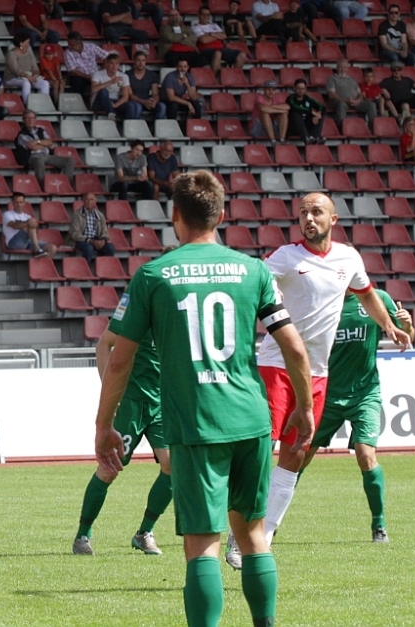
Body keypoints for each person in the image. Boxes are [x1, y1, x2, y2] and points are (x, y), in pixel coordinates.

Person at [94, 169, 315, 627]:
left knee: (201, 543)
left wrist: (104, 425)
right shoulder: (253, 270)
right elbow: (294, 348)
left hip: (196, 424)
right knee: (253, 534)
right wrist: (306, 407)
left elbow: (118, 361)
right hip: (250, 419)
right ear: (222, 214)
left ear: (174, 214)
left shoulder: (154, 275)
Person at [224, 192, 412, 569]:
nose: (309, 218)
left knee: (295, 455)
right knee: (260, 450)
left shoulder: (348, 258)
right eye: (303, 213)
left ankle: (263, 537)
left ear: (333, 219)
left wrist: (389, 326)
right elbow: (254, 280)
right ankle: (237, 532)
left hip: (317, 374)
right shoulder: (286, 257)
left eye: (316, 212)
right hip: (277, 366)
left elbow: (367, 294)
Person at [301, 290, 414, 543]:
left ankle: (379, 525)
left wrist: (406, 325)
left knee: (366, 455)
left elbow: (405, 336)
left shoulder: (377, 299)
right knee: (299, 457)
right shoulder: (322, 300)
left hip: (365, 394)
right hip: (327, 395)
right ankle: (270, 522)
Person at [74, 295, 170, 557]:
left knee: (172, 466)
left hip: (162, 404)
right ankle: (83, 535)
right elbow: (104, 344)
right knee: (109, 469)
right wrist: (110, 393)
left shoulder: (180, 314)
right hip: (131, 403)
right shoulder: (138, 309)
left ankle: (144, 533)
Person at [15, 109, 74, 186]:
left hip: (46, 155)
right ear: (23, 120)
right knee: (39, 159)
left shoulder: (41, 130)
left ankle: (67, 185)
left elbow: (50, 142)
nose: (30, 120)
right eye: (28, 118)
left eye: (32, 118)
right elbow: (32, 147)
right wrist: (44, 143)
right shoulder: (22, 134)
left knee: (69, 161)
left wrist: (37, 142)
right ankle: (42, 186)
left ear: (35, 119)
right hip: (31, 156)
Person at [193, 6, 246, 74]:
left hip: (220, 48)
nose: (206, 16)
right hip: (205, 50)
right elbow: (203, 40)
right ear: (198, 15)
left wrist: (210, 34)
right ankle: (213, 78)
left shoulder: (214, 25)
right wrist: (217, 36)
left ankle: (233, 77)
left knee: (242, 55)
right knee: (218, 53)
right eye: (203, 14)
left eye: (208, 15)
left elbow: (224, 36)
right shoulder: (195, 27)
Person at [2, 191, 57, 257]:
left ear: (24, 203)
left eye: (21, 202)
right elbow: (14, 225)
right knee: (29, 225)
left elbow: (35, 225)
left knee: (52, 248)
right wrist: (29, 223)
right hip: (13, 243)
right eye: (16, 202)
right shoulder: (7, 214)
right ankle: (37, 249)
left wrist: (34, 221)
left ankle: (45, 263)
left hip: (27, 242)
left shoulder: (27, 216)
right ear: (13, 203)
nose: (19, 205)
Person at [66, 191, 114, 262]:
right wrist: (90, 241)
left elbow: (105, 231)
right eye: (87, 199)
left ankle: (106, 267)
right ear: (83, 201)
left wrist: (103, 240)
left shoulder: (100, 215)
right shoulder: (77, 215)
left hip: (96, 239)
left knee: (110, 247)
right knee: (88, 248)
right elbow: (75, 234)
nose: (89, 202)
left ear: (95, 201)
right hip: (81, 240)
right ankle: (85, 267)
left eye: (91, 199)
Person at [5, 33, 50, 106]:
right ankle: (27, 105)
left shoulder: (29, 53)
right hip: (13, 78)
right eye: (27, 42)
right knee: (26, 83)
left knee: (45, 83)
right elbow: (16, 70)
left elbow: (35, 68)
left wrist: (35, 75)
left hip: (30, 77)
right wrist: (28, 77)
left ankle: (44, 104)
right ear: (21, 43)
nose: (29, 44)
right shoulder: (11, 54)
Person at [327, 59, 377, 124]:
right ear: (337, 68)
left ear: (347, 69)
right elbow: (331, 94)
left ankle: (373, 127)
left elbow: (359, 93)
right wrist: (346, 100)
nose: (343, 69)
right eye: (341, 67)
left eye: (345, 67)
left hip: (355, 101)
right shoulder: (332, 78)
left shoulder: (352, 79)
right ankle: (341, 128)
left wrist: (358, 100)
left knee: (371, 105)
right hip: (342, 101)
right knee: (341, 105)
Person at [91, 53, 138, 120]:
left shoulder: (124, 76)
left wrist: (115, 105)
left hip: (114, 101)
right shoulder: (98, 74)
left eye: (116, 64)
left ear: (119, 65)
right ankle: (111, 114)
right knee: (103, 91)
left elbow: (125, 97)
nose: (114, 66)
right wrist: (111, 82)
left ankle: (127, 125)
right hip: (99, 102)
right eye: (111, 63)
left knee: (131, 106)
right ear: (107, 63)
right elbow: (94, 89)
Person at [63, 32, 109, 101]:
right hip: (80, 76)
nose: (70, 47)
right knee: (76, 81)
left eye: (72, 45)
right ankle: (78, 101)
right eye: (69, 44)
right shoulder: (67, 52)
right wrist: (89, 77)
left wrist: (101, 70)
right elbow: (73, 70)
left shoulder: (91, 47)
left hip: (95, 74)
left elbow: (107, 56)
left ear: (79, 43)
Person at [286, 78, 324, 145]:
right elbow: (295, 107)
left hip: (306, 126)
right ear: (294, 88)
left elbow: (321, 106)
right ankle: (306, 139)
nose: (301, 91)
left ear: (305, 89)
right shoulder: (291, 98)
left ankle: (316, 138)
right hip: (294, 128)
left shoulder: (307, 98)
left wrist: (318, 114)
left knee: (319, 116)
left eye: (303, 89)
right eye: (298, 88)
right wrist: (311, 111)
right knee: (296, 114)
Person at [251, 80, 289, 145]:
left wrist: (271, 107)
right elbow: (263, 108)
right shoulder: (260, 98)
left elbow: (287, 107)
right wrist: (280, 110)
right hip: (258, 129)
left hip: (272, 129)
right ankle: (273, 141)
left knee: (284, 114)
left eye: (273, 90)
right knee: (264, 114)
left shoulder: (276, 98)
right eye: (268, 89)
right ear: (264, 90)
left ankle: (282, 140)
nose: (271, 92)